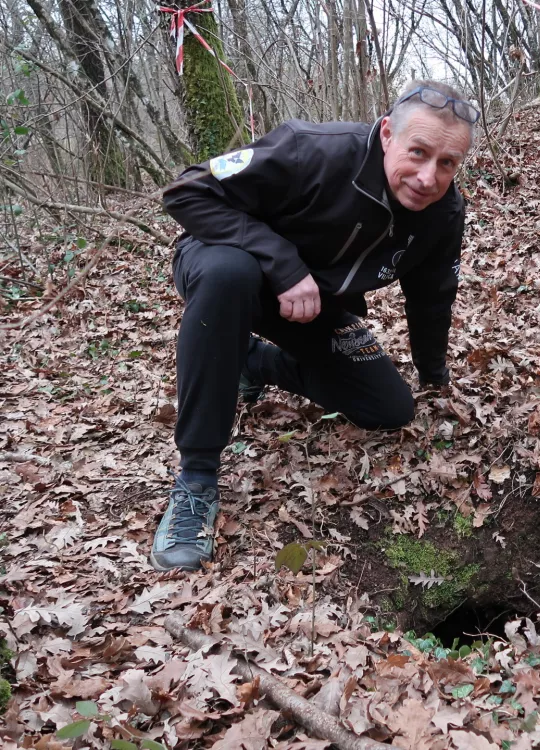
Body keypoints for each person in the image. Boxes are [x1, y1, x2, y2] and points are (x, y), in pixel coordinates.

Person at [151, 81, 478, 572]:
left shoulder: (443, 213)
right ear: (387, 133)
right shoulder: (314, 151)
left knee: (388, 406)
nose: (429, 177)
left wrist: (435, 378)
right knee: (228, 273)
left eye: (448, 163)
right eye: (419, 152)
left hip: (310, 307)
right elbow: (186, 191)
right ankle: (196, 480)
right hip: (226, 266)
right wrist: (282, 264)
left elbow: (432, 299)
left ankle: (248, 360)